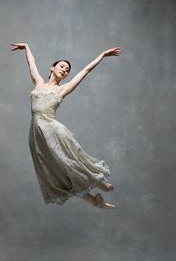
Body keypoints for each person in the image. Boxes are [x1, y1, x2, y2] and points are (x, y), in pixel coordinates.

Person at [10, 42, 121, 209]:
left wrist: (103, 55)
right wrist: (26, 47)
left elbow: (85, 70)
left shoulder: (63, 90)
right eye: (62, 66)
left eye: (67, 70)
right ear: (52, 68)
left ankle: (98, 181)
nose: (64, 70)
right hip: (36, 136)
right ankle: (93, 200)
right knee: (55, 172)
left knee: (70, 163)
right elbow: (31, 63)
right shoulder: (38, 83)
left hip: (52, 131)